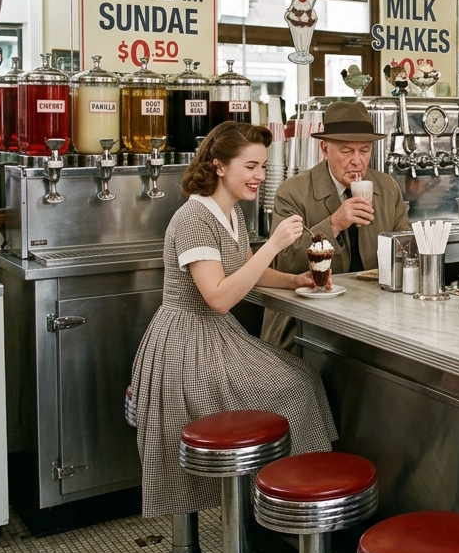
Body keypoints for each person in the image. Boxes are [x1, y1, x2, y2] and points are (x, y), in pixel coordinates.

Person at [130, 122, 337, 519]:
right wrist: (275, 244)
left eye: (262, 166)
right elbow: (220, 296)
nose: (260, 175)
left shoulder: (230, 213)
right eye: (251, 166)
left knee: (301, 377)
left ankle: (284, 494)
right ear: (220, 167)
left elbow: (246, 269)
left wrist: (294, 280)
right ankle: (286, 497)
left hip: (215, 337)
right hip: (187, 344)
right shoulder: (195, 218)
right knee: (297, 385)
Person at [261, 101, 410, 350]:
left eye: (364, 151)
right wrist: (334, 224)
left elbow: (405, 248)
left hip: (372, 317)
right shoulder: (293, 192)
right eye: (346, 151)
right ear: (324, 149)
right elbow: (283, 262)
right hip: (306, 321)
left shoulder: (386, 188)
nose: (357, 161)